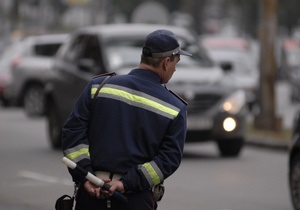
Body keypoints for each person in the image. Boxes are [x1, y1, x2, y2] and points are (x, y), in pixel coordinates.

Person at [62, 29, 192, 210]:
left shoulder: (98, 87)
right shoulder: (175, 108)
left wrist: (86, 176)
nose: (175, 68)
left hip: (90, 196)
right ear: (166, 61)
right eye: (176, 62)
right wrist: (126, 184)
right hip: (134, 201)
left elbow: (72, 134)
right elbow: (168, 160)